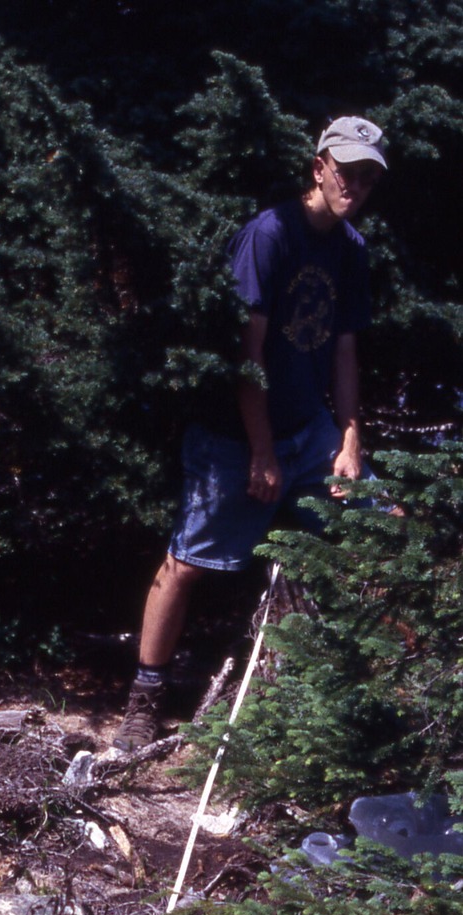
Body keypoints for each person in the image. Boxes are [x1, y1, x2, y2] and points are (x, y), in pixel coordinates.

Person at [116, 116, 387, 750]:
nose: (355, 183)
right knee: (187, 564)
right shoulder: (270, 235)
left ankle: (314, 693)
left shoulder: (351, 248)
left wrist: (349, 442)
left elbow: (345, 353)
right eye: (345, 169)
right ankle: (144, 697)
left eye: (368, 175)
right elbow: (248, 354)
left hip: (309, 430)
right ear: (318, 165)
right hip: (233, 435)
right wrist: (260, 450)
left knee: (373, 525)